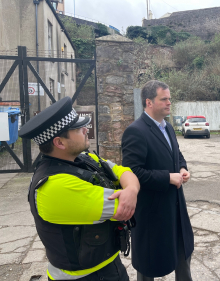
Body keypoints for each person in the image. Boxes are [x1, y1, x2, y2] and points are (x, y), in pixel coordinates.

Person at [19, 96, 140, 281]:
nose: (86, 130)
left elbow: (123, 171)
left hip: (106, 266)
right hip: (86, 276)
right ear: (60, 143)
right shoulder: (55, 186)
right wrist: (131, 192)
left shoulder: (82, 158)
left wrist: (131, 189)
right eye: (78, 129)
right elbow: (124, 208)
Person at [121, 80, 194, 281]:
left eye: (169, 99)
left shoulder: (168, 128)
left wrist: (182, 168)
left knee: (183, 256)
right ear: (149, 102)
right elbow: (132, 172)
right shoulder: (136, 131)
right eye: (164, 99)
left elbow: (177, 155)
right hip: (152, 214)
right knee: (148, 264)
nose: (169, 103)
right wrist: (168, 177)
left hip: (176, 209)